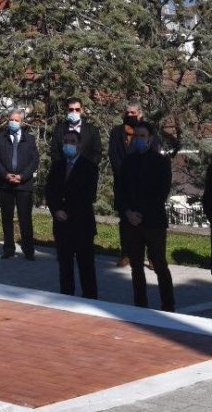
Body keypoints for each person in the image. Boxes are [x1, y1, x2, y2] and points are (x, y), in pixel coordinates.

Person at [115, 121, 175, 311]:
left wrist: (142, 213)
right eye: (136, 136)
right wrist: (128, 212)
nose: (139, 139)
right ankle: (140, 304)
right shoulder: (128, 161)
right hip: (131, 222)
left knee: (159, 264)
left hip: (153, 222)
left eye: (143, 136)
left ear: (150, 139)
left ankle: (168, 305)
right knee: (136, 266)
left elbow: (161, 192)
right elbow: (121, 190)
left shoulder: (161, 162)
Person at [45, 130, 99, 299]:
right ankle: (66, 298)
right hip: (62, 225)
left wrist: (67, 211)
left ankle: (90, 298)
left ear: (79, 144)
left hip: (81, 223)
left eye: (72, 141)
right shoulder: (57, 165)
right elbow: (50, 190)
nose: (68, 144)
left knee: (86, 266)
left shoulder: (89, 167)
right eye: (66, 141)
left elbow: (88, 195)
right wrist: (56, 210)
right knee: (65, 265)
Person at [0, 108, 39, 260]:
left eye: (17, 120)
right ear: (8, 120)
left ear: (22, 122)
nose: (14, 122)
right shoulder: (0, 137)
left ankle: (28, 250)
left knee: (25, 218)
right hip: (5, 184)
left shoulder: (29, 139)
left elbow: (34, 161)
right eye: (12, 119)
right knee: (6, 217)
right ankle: (8, 248)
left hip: (24, 185)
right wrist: (5, 175)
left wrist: (22, 176)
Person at [108, 102, 143, 266]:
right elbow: (113, 155)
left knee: (146, 220)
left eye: (134, 112)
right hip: (122, 181)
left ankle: (151, 256)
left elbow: (153, 153)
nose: (130, 115)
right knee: (125, 219)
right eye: (128, 112)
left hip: (142, 182)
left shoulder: (146, 132)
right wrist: (123, 173)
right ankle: (126, 253)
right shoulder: (117, 132)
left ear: (140, 114)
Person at [48, 97, 102, 167]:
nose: (74, 112)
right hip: (63, 173)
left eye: (77, 109)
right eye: (71, 110)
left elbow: (97, 153)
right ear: (67, 111)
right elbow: (54, 152)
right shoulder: (58, 129)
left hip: (86, 173)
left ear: (81, 110)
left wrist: (88, 167)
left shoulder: (92, 130)